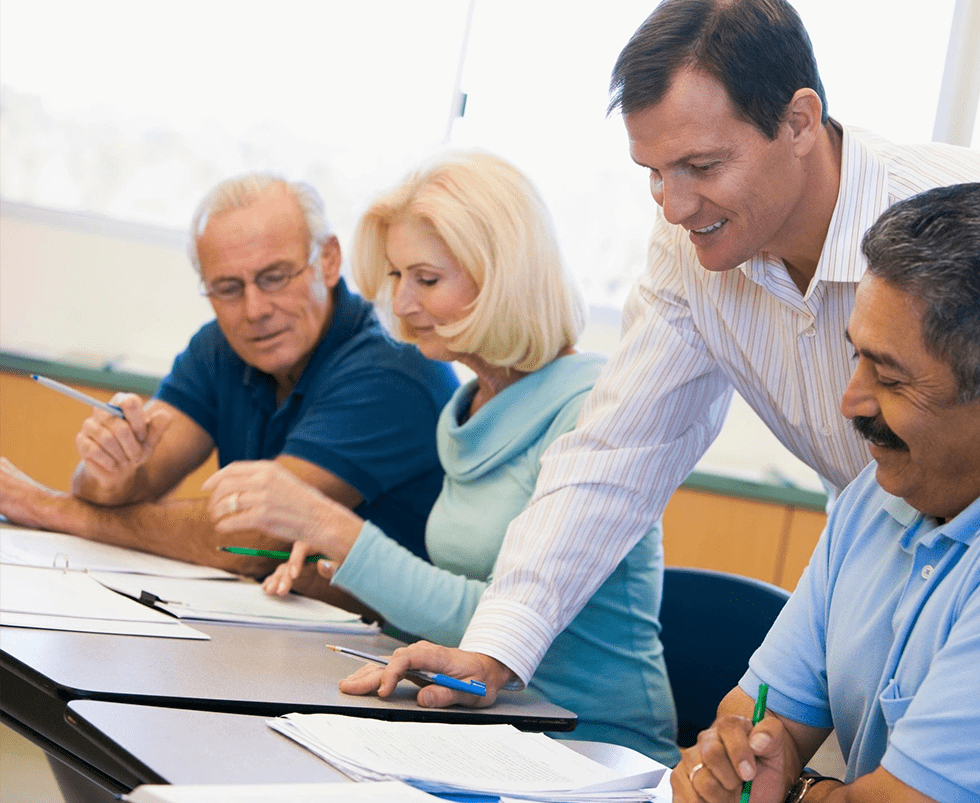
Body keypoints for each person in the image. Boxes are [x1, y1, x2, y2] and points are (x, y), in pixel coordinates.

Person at [343, 0, 980, 708]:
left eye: (701, 165)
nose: (674, 206)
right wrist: (496, 644)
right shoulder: (691, 249)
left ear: (799, 121)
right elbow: (617, 452)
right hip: (877, 573)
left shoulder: (953, 212)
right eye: (654, 172)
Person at [201, 152, 680, 763]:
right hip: (476, 724)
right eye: (397, 278)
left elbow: (502, 619)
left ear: (503, 277)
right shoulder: (471, 407)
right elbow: (458, 602)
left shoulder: (594, 408)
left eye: (425, 280)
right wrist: (332, 567)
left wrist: (336, 531)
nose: (400, 304)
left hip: (583, 745)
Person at [0, 173, 459, 604]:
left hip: (385, 652)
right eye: (227, 288)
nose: (254, 309)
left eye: (275, 277)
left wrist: (48, 508)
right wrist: (108, 465)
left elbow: (249, 539)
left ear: (329, 260)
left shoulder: (392, 367)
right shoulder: (220, 347)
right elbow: (117, 485)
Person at [672, 183, 980, 803]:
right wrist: (734, 762)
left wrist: (797, 792)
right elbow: (762, 721)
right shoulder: (876, 495)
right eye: (856, 359)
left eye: (889, 378)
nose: (850, 402)